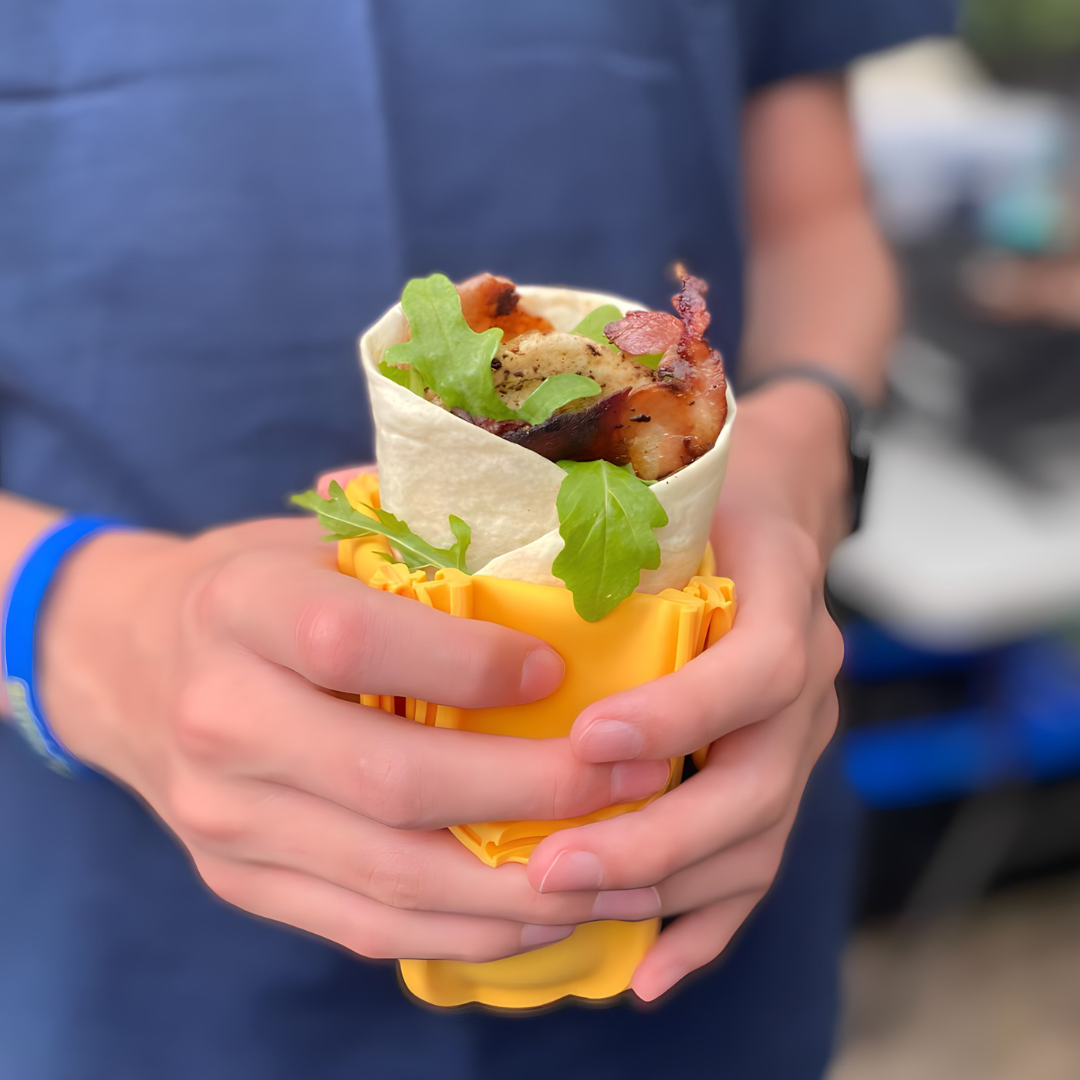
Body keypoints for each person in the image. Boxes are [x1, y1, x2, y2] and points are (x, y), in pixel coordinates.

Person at [0, 2, 954, 1077]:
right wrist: (67, 617)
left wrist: (801, 455)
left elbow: (815, 221)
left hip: (695, 905)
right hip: (123, 919)